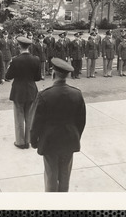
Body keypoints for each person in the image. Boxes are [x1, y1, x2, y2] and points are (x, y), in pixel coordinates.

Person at [30, 57, 86, 192]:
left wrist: (34, 141)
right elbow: (81, 121)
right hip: (69, 140)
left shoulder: (44, 95)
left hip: (50, 141)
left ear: (53, 74)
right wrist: (76, 136)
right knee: (65, 174)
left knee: (51, 175)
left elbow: (36, 123)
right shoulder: (77, 94)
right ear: (67, 76)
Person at [5, 36, 41, 149]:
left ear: (19, 46)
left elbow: (8, 76)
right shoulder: (36, 59)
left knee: (19, 117)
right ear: (29, 46)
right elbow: (38, 78)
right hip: (31, 90)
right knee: (30, 117)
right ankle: (28, 141)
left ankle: (20, 142)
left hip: (18, 91)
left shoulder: (15, 60)